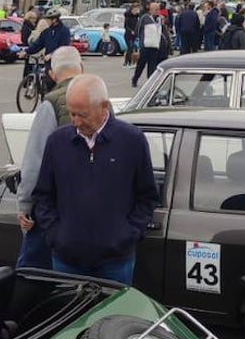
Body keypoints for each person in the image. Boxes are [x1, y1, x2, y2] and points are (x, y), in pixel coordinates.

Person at [31, 75, 156, 285]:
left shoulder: (132, 141)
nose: (76, 122)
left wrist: (127, 235)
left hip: (115, 262)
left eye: (83, 114)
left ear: (104, 107)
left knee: (114, 317)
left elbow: (147, 196)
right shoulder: (57, 142)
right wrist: (56, 234)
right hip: (66, 261)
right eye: (72, 113)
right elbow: (43, 195)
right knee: (70, 316)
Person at [16, 46, 83, 270]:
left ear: (52, 75)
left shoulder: (51, 104)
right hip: (88, 210)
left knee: (32, 273)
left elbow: (35, 162)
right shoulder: (99, 100)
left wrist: (25, 205)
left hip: (54, 209)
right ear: (81, 68)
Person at [131, 3, 164, 88]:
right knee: (141, 65)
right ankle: (135, 79)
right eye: (156, 10)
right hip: (145, 46)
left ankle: (150, 82)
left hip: (155, 46)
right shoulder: (144, 18)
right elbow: (137, 30)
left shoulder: (159, 19)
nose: (157, 11)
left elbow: (162, 32)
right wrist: (138, 44)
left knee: (152, 66)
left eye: (158, 9)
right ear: (151, 9)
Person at [123, 3, 140, 67]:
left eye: (137, 10)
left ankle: (131, 62)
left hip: (134, 35)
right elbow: (126, 26)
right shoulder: (128, 16)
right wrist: (131, 31)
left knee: (133, 48)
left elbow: (137, 25)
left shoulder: (136, 17)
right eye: (135, 10)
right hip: (128, 35)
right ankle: (127, 62)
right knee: (129, 48)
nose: (136, 11)